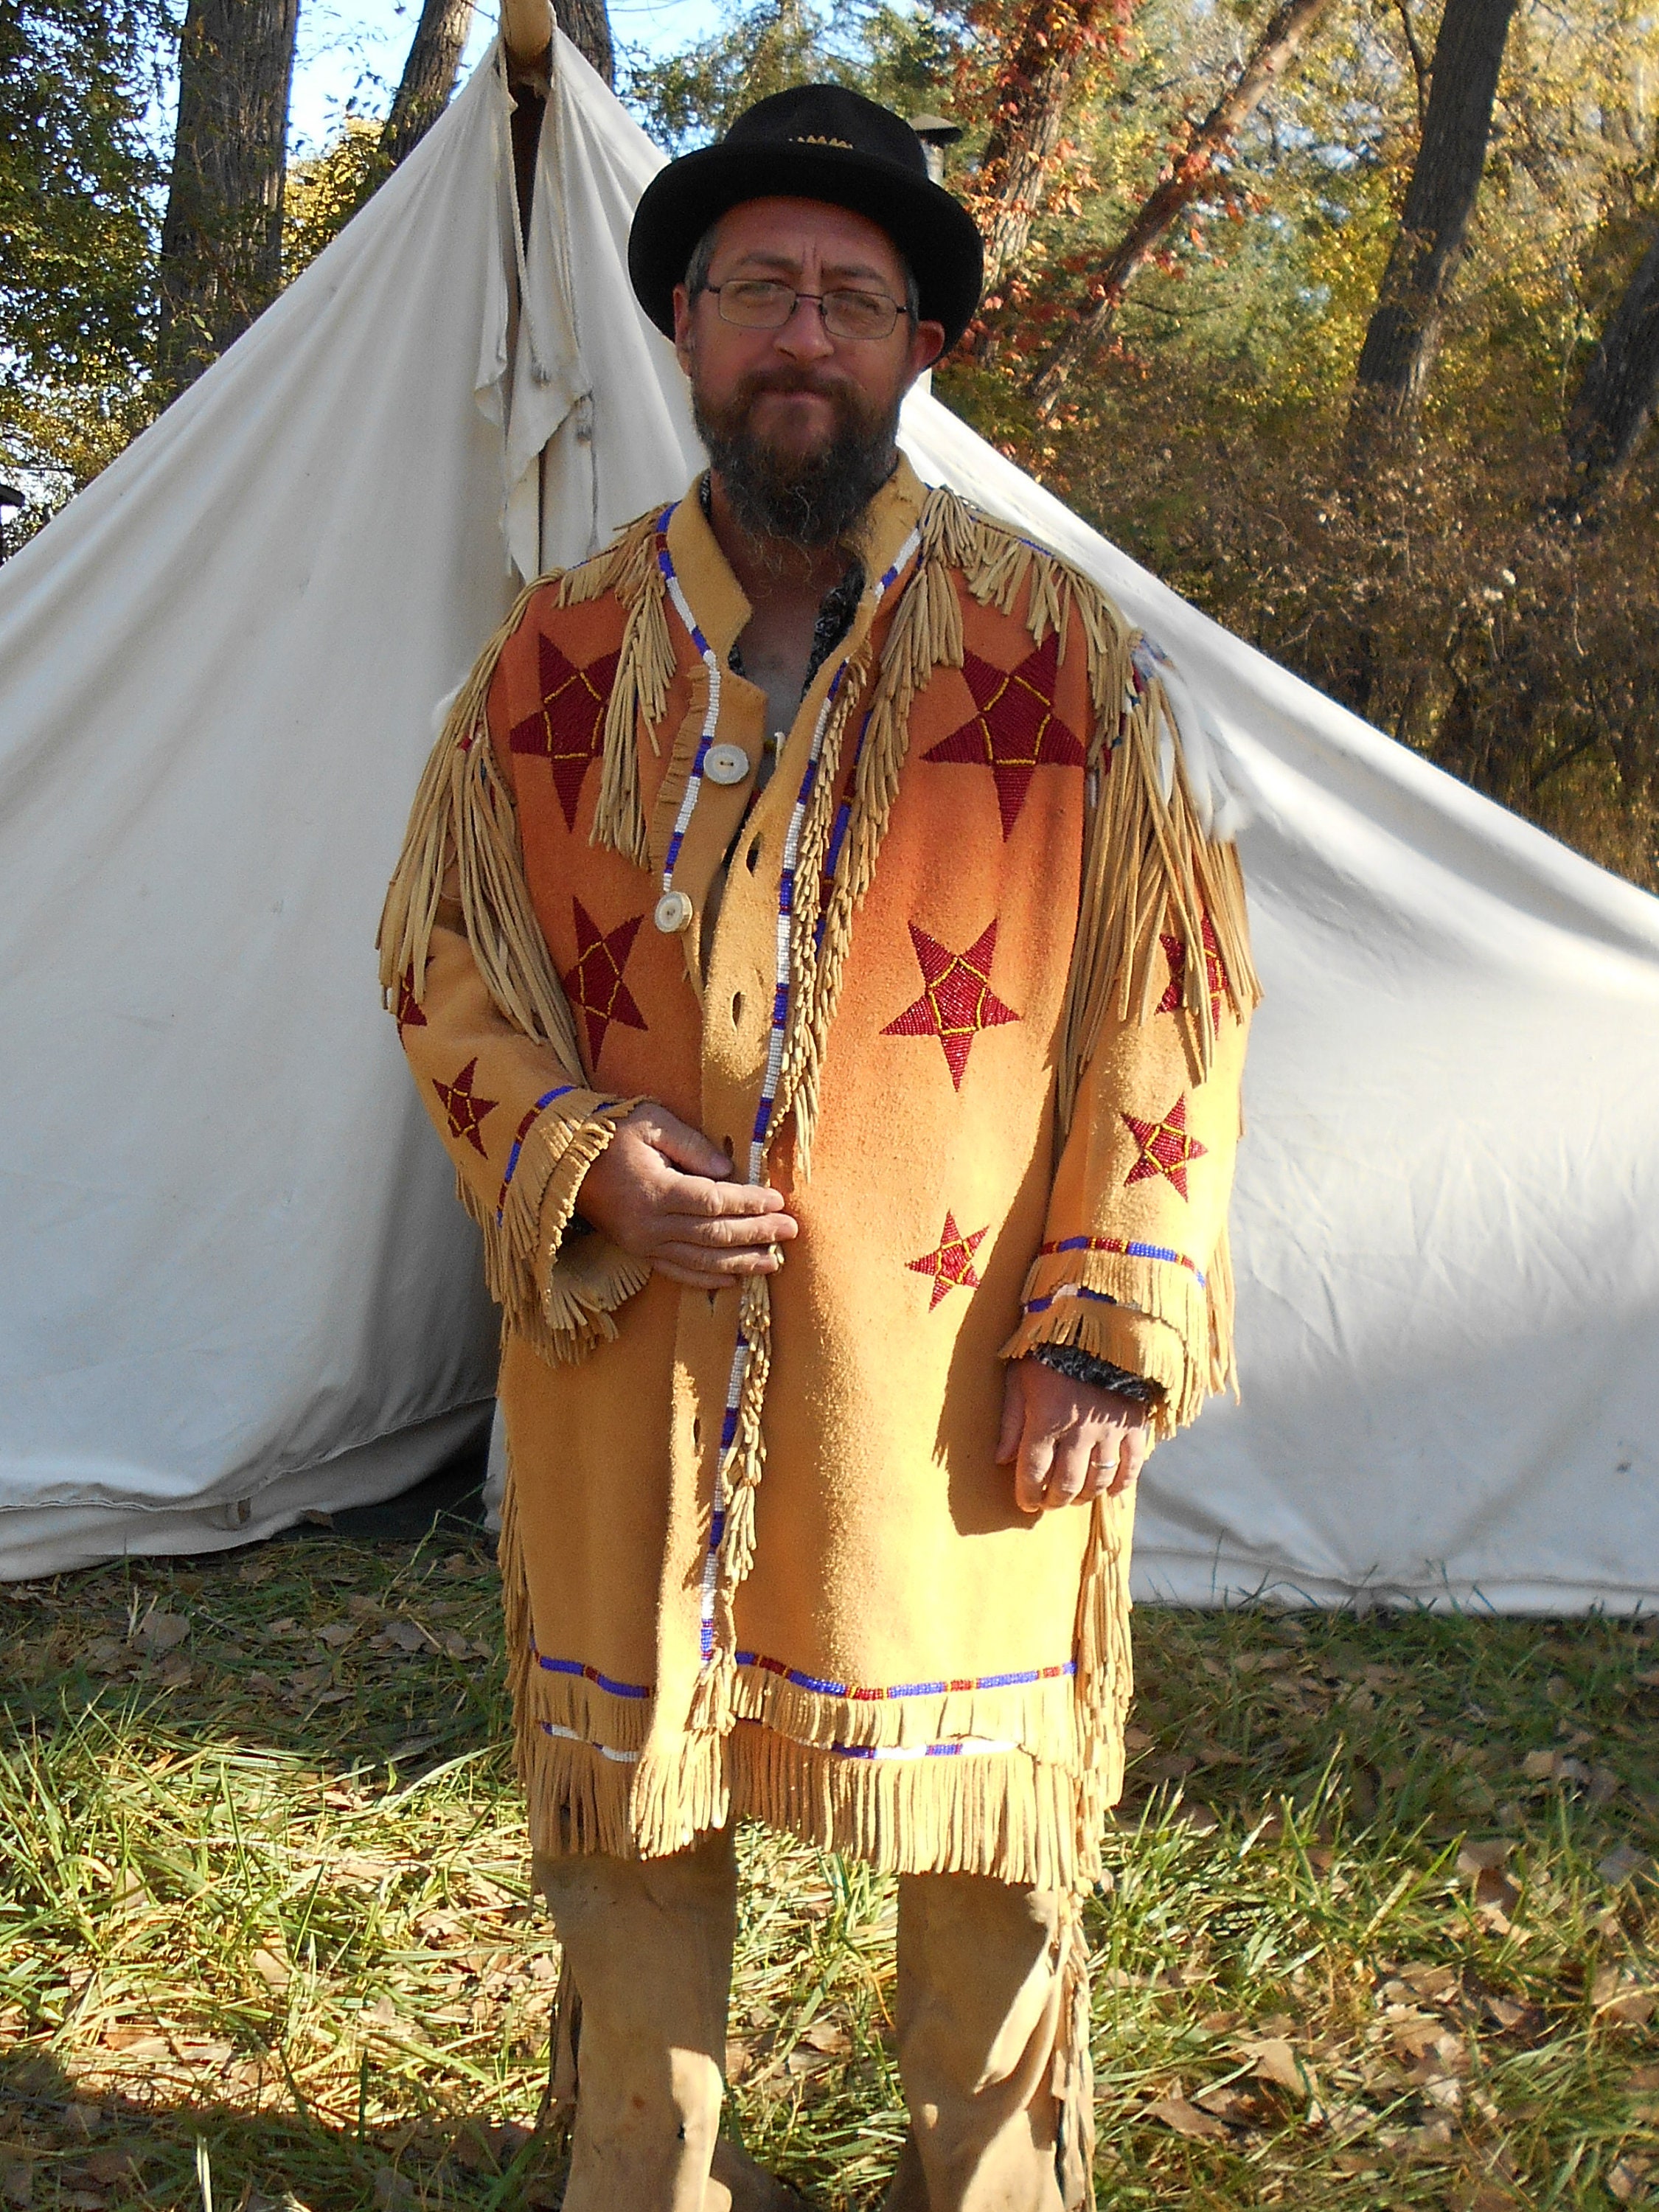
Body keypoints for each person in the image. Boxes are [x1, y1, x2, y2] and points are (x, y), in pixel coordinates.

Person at [380, 51, 1256, 2212]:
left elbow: (1175, 992)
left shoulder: (1061, 661)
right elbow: (435, 952)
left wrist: (1100, 1319)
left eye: (848, 299)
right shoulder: (558, 649)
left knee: (974, 1820)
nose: (800, 335)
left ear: (918, 349)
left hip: (949, 1376)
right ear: (684, 327)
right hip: (621, 1361)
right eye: (756, 286)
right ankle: (643, 2179)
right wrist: (572, 1150)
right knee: (634, 1805)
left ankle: (995, 2190)